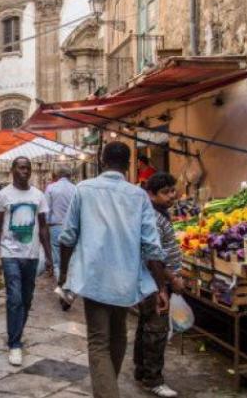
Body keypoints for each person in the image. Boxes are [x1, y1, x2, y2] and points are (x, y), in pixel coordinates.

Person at [58, 142, 168, 398]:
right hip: (125, 279)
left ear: (101, 159)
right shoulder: (138, 195)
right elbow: (152, 246)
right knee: (118, 335)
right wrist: (161, 286)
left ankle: (107, 391)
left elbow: (67, 237)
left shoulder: (84, 189)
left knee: (99, 341)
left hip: (93, 277)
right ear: (129, 163)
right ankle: (107, 387)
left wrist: (65, 277)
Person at [0, 157, 53, 367]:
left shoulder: (38, 196)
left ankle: (17, 331)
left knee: (26, 299)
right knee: (14, 298)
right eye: (21, 167)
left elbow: (43, 227)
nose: (25, 171)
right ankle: (14, 343)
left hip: (32, 255)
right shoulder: (3, 195)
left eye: (28, 168)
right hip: (10, 254)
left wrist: (50, 256)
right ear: (12, 170)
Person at [134, 172, 185, 398]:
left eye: (172, 190)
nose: (172, 196)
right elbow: (151, 255)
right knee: (156, 329)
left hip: (154, 281)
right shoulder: (153, 217)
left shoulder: (161, 213)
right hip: (153, 281)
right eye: (165, 192)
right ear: (151, 194)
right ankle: (153, 379)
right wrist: (169, 280)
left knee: (146, 326)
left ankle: (141, 370)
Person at [45, 166, 76, 281]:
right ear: (69, 176)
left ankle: (61, 287)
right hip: (71, 227)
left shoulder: (51, 188)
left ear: (57, 176)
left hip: (56, 227)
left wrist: (45, 227)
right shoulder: (75, 188)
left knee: (57, 260)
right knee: (71, 259)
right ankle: (68, 286)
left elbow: (46, 210)